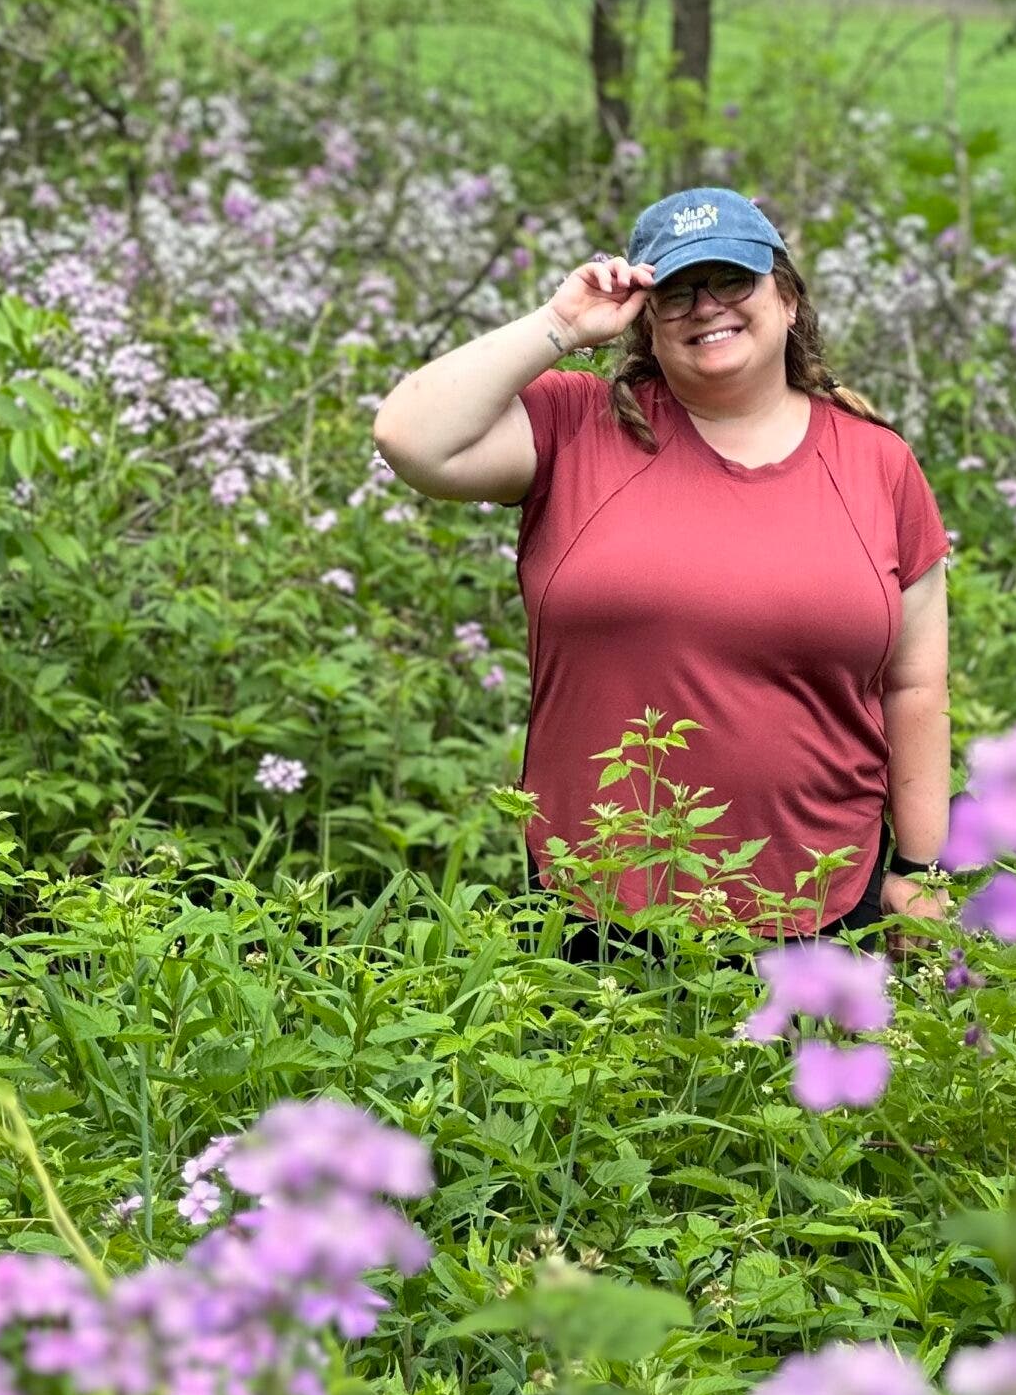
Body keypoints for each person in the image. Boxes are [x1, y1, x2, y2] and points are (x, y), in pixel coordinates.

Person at [371, 183, 953, 964]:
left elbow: (914, 686)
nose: (705, 306)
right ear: (645, 318)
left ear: (786, 299)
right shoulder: (580, 426)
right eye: (675, 291)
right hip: (595, 904)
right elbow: (411, 437)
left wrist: (919, 869)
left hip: (823, 903)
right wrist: (561, 325)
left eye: (731, 281)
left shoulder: (878, 464)